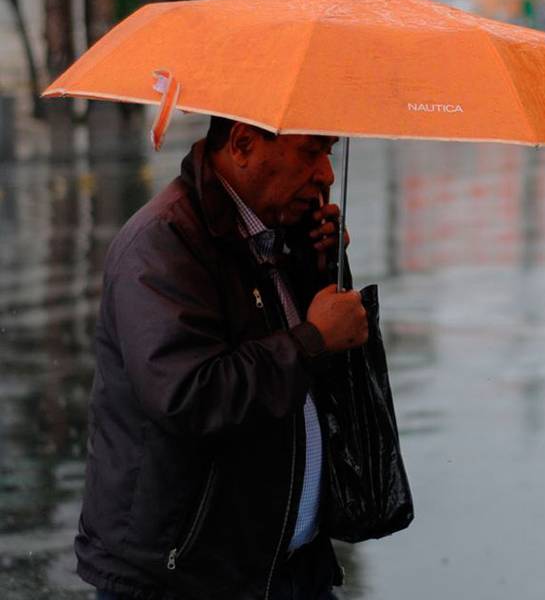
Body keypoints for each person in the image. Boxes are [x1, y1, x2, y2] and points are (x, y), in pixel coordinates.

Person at [77, 116, 370, 599]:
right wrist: (313, 338)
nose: (326, 174)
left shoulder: (276, 233)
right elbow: (192, 395)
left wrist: (317, 271)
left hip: (287, 571)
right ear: (242, 144)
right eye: (310, 152)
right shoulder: (161, 244)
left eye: (329, 153)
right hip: (185, 580)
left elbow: (314, 384)